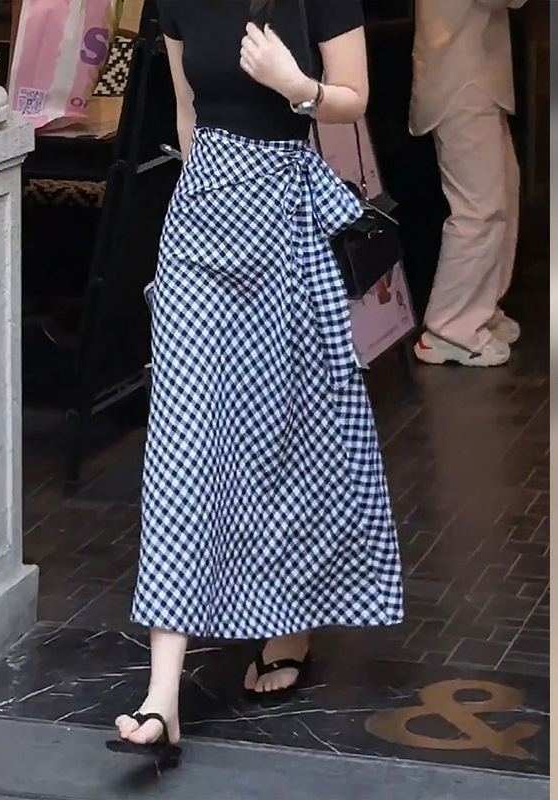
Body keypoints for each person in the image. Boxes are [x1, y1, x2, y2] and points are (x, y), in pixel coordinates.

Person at [108, 0, 403, 759]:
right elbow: (186, 114)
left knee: (283, 435)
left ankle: (287, 625)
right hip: (201, 227)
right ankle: (161, 697)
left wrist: (295, 85)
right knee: (182, 446)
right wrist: (205, 205)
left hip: (286, 225)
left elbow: (354, 98)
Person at [410, 0, 527, 367]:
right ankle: (450, 328)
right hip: (460, 81)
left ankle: (481, 308)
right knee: (480, 208)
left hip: (477, 77)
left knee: (502, 196)